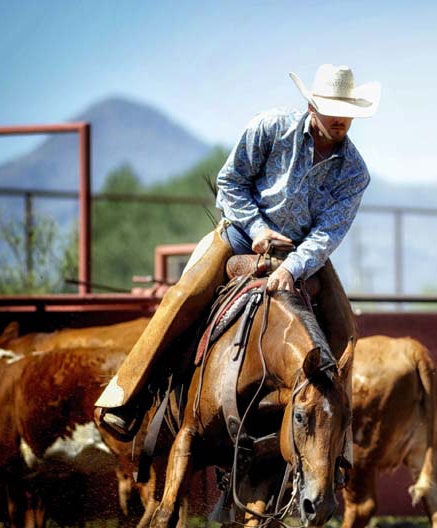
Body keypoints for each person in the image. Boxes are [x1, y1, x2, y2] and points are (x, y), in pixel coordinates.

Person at [95, 64, 380, 440]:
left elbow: (329, 231)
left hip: (304, 253)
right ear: (312, 106)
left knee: (344, 332)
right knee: (184, 296)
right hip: (242, 234)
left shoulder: (355, 172)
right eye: (333, 108)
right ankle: (126, 396)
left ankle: (335, 441)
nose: (341, 119)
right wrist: (259, 230)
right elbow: (230, 183)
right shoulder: (270, 128)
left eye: (348, 113)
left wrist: (292, 268)